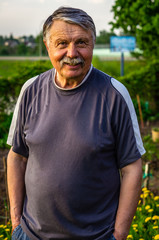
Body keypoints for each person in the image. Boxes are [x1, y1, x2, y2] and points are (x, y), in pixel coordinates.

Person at [7, 6, 145, 240]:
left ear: (92, 44)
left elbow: (132, 167)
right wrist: (16, 223)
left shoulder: (114, 95)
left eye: (81, 42)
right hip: (30, 235)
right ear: (48, 46)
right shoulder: (30, 90)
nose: (72, 52)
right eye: (62, 43)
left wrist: (119, 234)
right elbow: (17, 157)